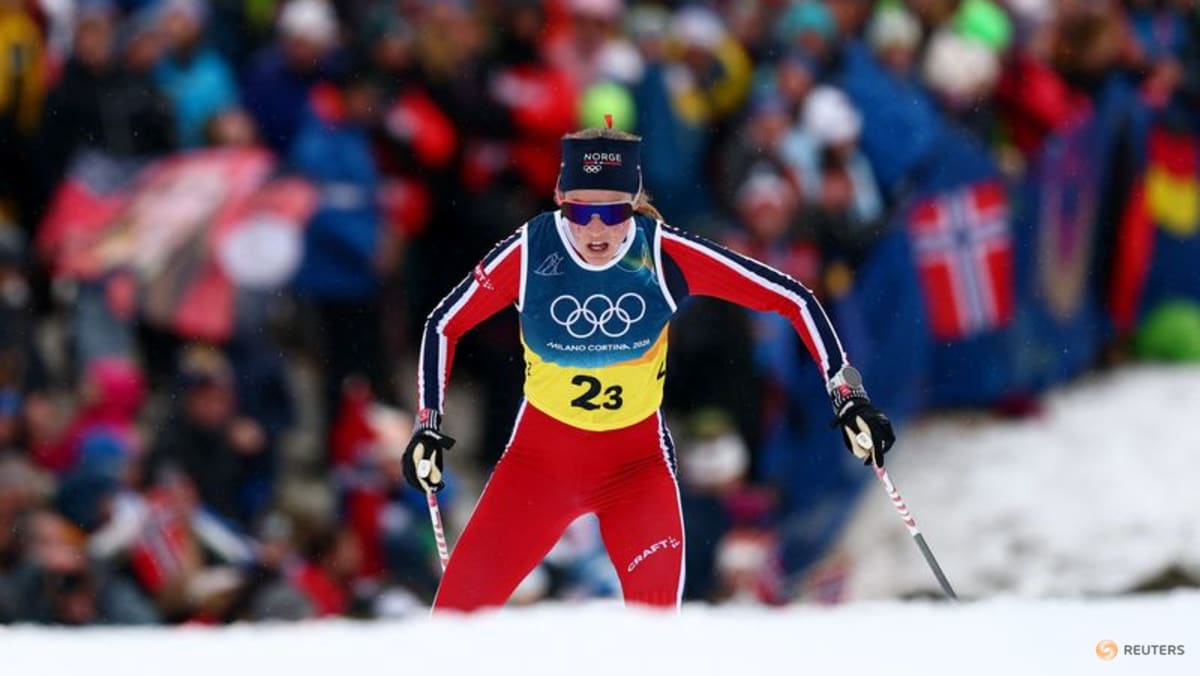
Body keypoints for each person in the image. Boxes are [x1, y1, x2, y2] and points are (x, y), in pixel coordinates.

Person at [402, 125, 895, 612]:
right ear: (558, 197)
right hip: (539, 466)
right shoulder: (531, 251)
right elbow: (444, 323)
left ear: (634, 203)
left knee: (656, 638)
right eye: (581, 211)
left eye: (612, 212)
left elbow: (794, 298)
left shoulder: (662, 256)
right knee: (451, 626)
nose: (596, 230)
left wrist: (849, 397)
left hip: (635, 471)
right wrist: (428, 425)